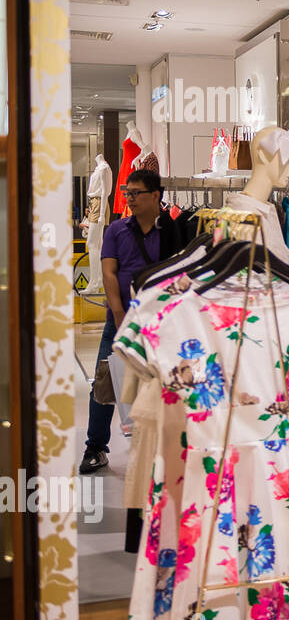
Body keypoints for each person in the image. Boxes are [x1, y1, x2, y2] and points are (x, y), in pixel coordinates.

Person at [79, 169, 183, 474]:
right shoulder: (116, 230)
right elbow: (109, 273)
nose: (130, 198)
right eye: (127, 193)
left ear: (155, 196)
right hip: (121, 318)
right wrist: (120, 314)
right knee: (104, 381)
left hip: (161, 321)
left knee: (164, 380)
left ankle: (163, 445)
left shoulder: (174, 230)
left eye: (135, 193)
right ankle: (95, 447)